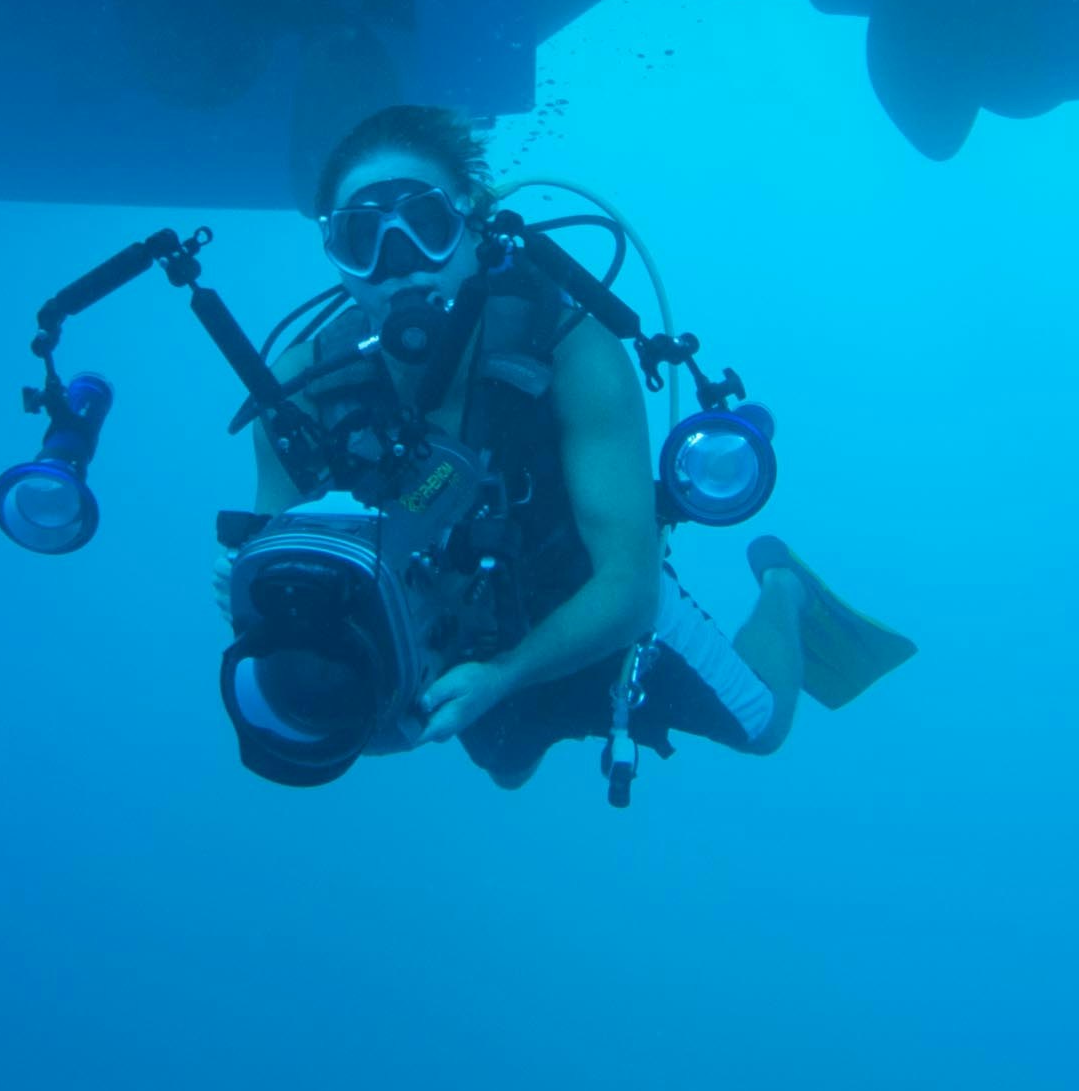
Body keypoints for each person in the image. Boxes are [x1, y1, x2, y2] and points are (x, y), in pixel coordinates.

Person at [230, 103, 913, 790]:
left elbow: (631, 588)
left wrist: (505, 676)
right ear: (336, 258)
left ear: (471, 225)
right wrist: (254, 593)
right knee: (507, 765)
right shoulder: (300, 390)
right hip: (462, 626)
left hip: (598, 601)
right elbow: (283, 568)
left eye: (426, 226)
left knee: (761, 723)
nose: (399, 265)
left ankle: (784, 588)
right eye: (362, 239)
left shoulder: (571, 350)